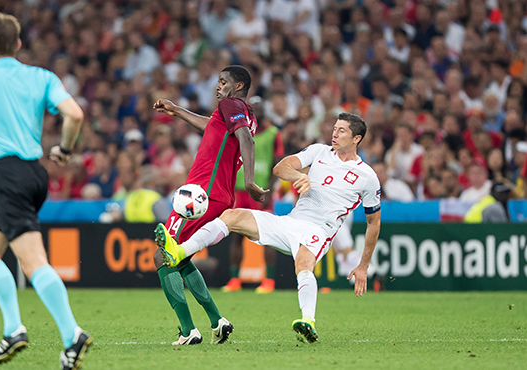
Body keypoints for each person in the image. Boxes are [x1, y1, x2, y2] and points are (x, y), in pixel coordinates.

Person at [158, 113, 381, 343]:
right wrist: (298, 176)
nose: (335, 133)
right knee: (232, 216)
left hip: (319, 230)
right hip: (290, 222)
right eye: (335, 128)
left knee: (303, 264)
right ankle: (180, 252)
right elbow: (280, 167)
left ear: (357, 138)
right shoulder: (319, 152)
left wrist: (363, 266)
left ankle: (308, 321)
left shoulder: (367, 177)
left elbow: (373, 223)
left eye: (342, 130)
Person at [0, 13, 90, 370]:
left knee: (33, 261)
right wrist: (66, 150)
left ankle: (72, 335)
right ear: (19, 44)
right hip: (35, 172)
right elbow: (74, 114)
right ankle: (13, 329)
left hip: (7, 174)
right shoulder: (42, 76)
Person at [151, 65, 267, 345]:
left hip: (202, 193)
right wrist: (176, 110)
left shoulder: (231, 104)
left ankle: (188, 330)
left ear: (238, 86)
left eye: (223, 81)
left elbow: (246, 140)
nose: (218, 86)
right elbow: (215, 127)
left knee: (163, 255)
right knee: (181, 256)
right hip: (218, 194)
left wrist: (249, 181)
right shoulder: (243, 114)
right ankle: (217, 321)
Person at [223, 97, 284, 294]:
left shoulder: (273, 133)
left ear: (264, 110)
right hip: (239, 191)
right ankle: (234, 280)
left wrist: (270, 189)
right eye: (252, 109)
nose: (256, 112)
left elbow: (278, 162)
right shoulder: (239, 130)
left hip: (262, 191)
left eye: (258, 108)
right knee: (237, 235)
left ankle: (269, 280)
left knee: (267, 234)